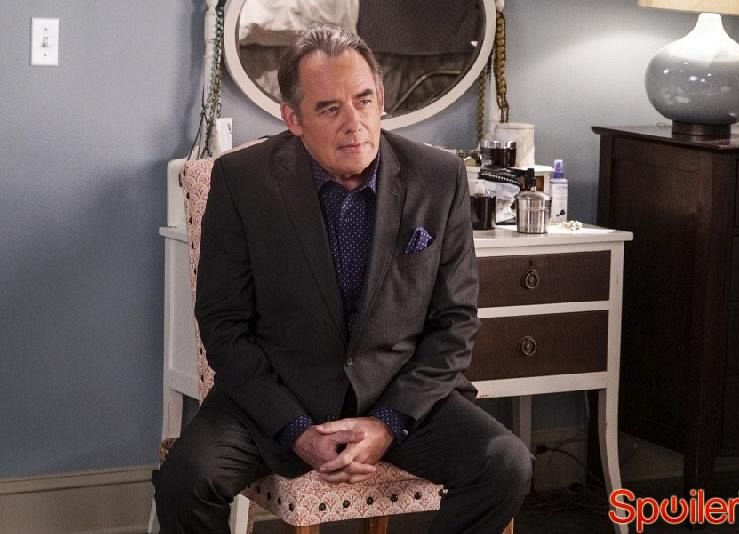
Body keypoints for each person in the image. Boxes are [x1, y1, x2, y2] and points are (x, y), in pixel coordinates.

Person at [153, 23, 531, 534]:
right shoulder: (242, 181)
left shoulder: (438, 177)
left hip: (398, 394)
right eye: (330, 109)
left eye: (364, 100)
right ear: (293, 118)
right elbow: (224, 325)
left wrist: (388, 423)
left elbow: (455, 322)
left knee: (505, 465)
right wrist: (296, 429)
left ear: (382, 100)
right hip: (278, 396)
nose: (354, 123)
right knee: (186, 482)